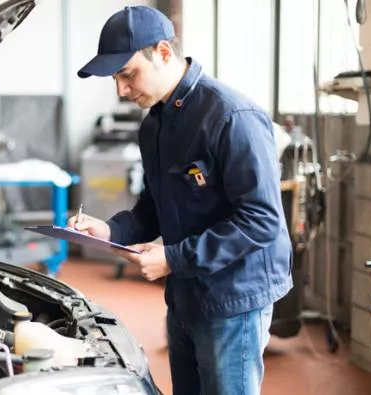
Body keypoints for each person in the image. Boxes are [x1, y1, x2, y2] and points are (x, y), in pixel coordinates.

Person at [68, 5, 293, 395]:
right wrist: (110, 230)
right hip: (185, 294)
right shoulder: (154, 124)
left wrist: (173, 258)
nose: (121, 90)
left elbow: (261, 219)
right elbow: (154, 205)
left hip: (234, 299)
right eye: (116, 79)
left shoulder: (232, 116)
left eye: (128, 74)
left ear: (164, 53)